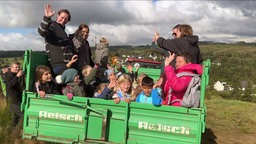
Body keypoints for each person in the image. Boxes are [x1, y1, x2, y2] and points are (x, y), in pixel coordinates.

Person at [38, 4, 75, 75]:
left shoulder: (62, 31)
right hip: (59, 66)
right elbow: (42, 32)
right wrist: (47, 18)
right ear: (57, 16)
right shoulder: (52, 25)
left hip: (68, 65)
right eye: (62, 17)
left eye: (66, 19)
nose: (63, 20)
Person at [4, 62, 25, 127]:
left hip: (16, 99)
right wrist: (17, 76)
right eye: (16, 67)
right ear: (11, 68)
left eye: (18, 67)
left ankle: (13, 132)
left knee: (14, 119)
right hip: (13, 100)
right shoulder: (8, 75)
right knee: (23, 116)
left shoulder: (17, 75)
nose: (18, 68)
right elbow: (9, 85)